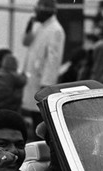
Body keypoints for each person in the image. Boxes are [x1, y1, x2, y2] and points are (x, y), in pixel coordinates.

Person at [21, 0, 65, 137]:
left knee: (40, 123)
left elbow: (53, 60)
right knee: (35, 120)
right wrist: (29, 27)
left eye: (38, 10)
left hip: (42, 84)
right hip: (33, 82)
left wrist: (46, 85)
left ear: (46, 11)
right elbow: (26, 43)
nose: (35, 14)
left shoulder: (56, 30)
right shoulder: (40, 27)